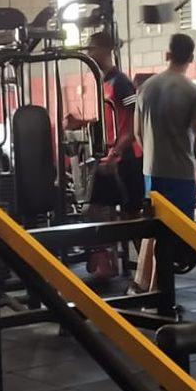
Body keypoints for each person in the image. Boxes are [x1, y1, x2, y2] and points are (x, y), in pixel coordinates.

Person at [132, 33, 196, 291]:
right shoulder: (193, 92)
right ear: (191, 57)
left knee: (152, 229)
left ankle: (142, 285)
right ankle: (159, 296)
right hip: (179, 174)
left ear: (167, 55)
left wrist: (153, 156)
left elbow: (138, 133)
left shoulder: (145, 87)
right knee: (171, 238)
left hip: (150, 172)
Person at [65, 30, 143, 280]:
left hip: (127, 157)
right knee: (95, 206)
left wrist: (117, 152)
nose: (89, 53)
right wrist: (81, 122)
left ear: (105, 49)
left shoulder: (121, 83)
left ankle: (148, 268)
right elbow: (110, 119)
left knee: (132, 215)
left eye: (92, 48)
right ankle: (106, 259)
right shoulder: (104, 83)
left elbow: (135, 123)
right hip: (111, 156)